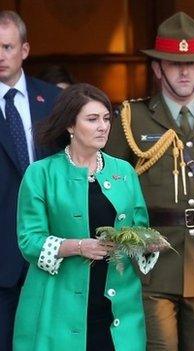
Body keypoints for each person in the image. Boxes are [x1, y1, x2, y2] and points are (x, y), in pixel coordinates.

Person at [106, 12, 194, 350]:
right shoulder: (130, 119)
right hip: (151, 263)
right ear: (157, 68)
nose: (183, 71)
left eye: (191, 63)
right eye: (173, 63)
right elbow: (109, 186)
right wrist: (127, 240)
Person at [13, 83, 158, 350]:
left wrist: (147, 244)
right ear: (70, 125)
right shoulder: (40, 173)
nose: (103, 126)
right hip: (57, 305)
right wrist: (79, 246)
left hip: (118, 308)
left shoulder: (124, 171)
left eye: (106, 118)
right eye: (92, 119)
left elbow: (140, 227)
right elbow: (29, 241)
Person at [0, 10, 60, 351]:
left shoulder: (51, 99)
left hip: (50, 245)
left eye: (7, 47)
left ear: (24, 50)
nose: (0, 56)